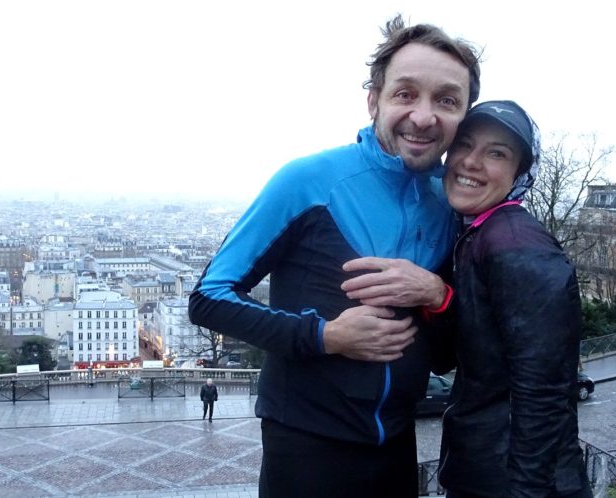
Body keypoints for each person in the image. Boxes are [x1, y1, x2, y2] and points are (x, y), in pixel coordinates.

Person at [188, 14, 480, 498]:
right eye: (405, 93)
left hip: (396, 441)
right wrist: (326, 336)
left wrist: (437, 293)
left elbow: (448, 354)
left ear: (463, 114)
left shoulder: (450, 201)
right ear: (374, 101)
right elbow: (209, 298)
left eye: (446, 100)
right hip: (306, 443)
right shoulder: (308, 180)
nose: (425, 116)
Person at [436, 100, 590, 497]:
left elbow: (544, 391)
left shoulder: (518, 244)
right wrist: (437, 298)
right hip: (485, 471)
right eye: (464, 145)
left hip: (512, 482)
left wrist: (527, 492)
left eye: (496, 153)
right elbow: (452, 358)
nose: (471, 162)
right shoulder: (478, 233)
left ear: (520, 172)